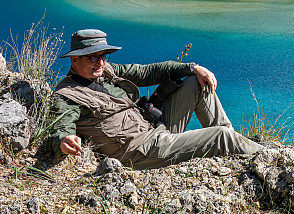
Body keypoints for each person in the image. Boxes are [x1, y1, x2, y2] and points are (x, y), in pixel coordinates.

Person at [47, 29, 262, 169]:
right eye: (93, 56)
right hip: (141, 152)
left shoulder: (108, 71)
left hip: (155, 127)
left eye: (103, 55)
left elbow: (149, 72)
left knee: (195, 82)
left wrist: (192, 67)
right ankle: (273, 158)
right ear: (75, 60)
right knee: (221, 137)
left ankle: (238, 148)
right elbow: (61, 126)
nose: (100, 62)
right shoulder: (67, 95)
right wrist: (64, 141)